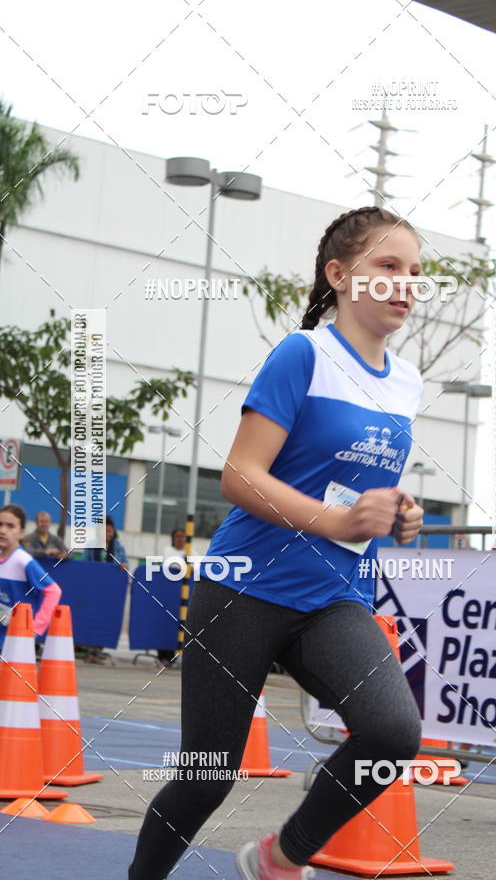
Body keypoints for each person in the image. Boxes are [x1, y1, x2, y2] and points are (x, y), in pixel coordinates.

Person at [128, 206, 426, 880]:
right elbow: (241, 476)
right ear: (339, 274)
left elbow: (355, 484)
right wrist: (337, 521)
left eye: (415, 271)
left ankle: (279, 857)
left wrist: (399, 512)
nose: (406, 282)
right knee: (208, 777)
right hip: (244, 590)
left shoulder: (407, 384)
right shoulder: (305, 354)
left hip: (335, 597)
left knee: (391, 735)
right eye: (388, 266)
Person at [0, 504, 62, 650]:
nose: (3, 530)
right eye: (0, 524)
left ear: (22, 532)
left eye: (10, 526)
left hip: (14, 643)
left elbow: (53, 591)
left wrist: (35, 628)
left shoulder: (23, 560)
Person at [81, 516, 129, 663]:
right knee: (91, 618)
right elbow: (84, 564)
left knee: (105, 619)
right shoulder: (91, 545)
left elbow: (125, 562)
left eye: (110, 531)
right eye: (105, 531)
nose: (108, 534)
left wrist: (124, 566)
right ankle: (90, 651)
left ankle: (99, 650)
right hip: (93, 589)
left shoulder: (118, 547)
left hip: (110, 592)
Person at [158, 528, 198, 667]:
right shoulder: (168, 550)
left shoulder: (190, 552)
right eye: (177, 536)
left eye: (183, 536)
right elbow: (171, 563)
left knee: (184, 624)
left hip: (187, 596)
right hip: (170, 593)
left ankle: (182, 656)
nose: (180, 539)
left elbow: (199, 565)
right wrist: (188, 567)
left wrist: (191, 567)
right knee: (167, 623)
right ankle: (164, 657)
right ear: (173, 538)